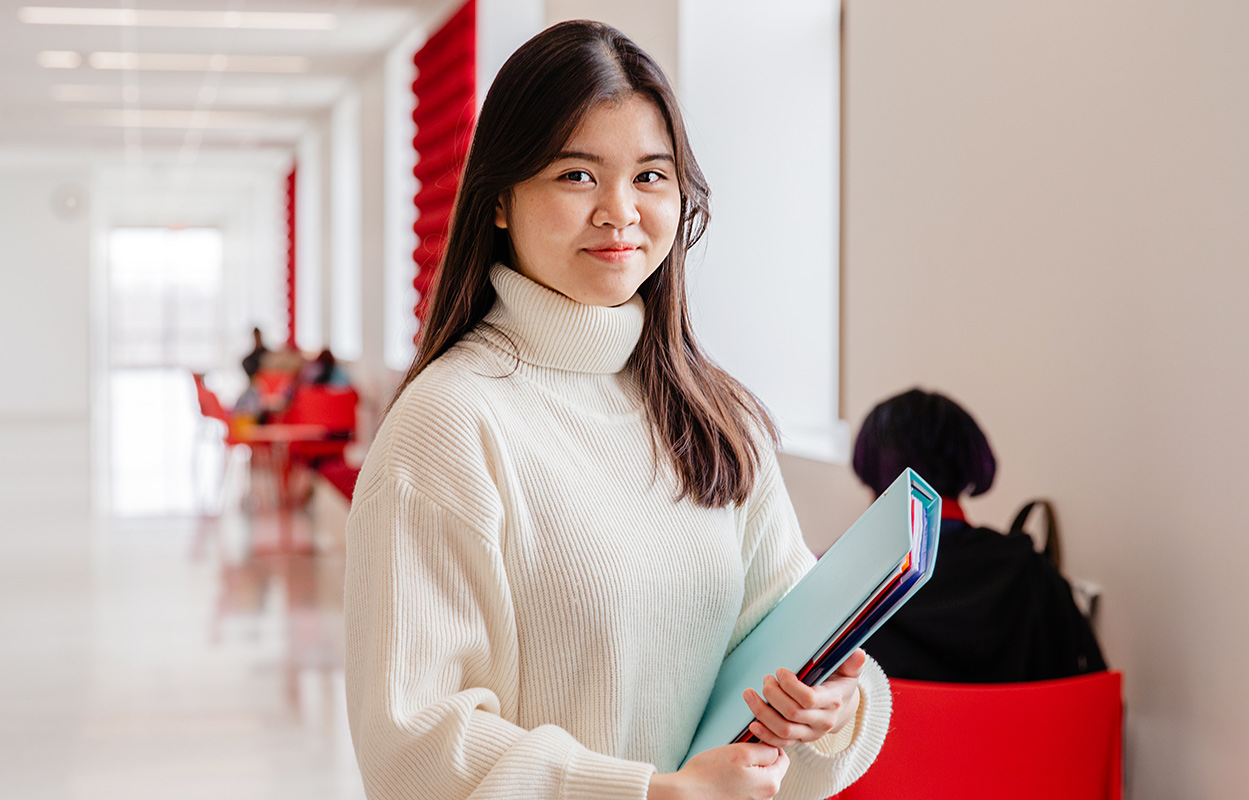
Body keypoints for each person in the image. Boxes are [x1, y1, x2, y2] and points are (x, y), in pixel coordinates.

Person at [344, 21, 889, 800]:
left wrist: (830, 710)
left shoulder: (714, 416)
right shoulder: (448, 425)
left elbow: (796, 667)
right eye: (575, 175)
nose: (619, 212)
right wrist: (657, 794)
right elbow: (416, 751)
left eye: (650, 176)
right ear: (498, 199)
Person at [851, 389, 1106, 684]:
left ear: (876, 477)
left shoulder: (857, 589)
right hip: (1022, 731)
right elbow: (1090, 694)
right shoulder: (1032, 573)